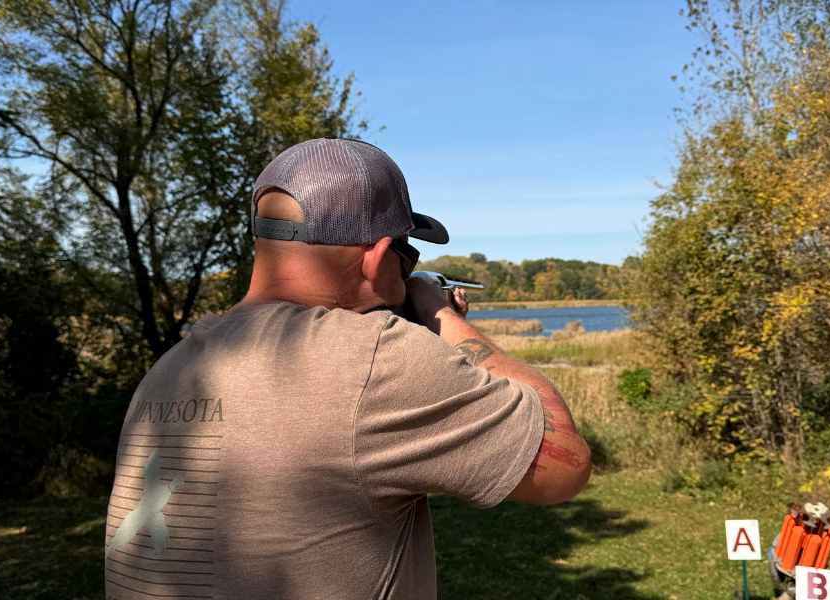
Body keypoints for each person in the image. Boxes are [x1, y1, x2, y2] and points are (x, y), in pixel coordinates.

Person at [104, 137, 591, 599]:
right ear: (378, 256)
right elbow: (561, 468)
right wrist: (438, 314)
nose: (406, 269)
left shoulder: (168, 370)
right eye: (407, 254)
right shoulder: (380, 357)